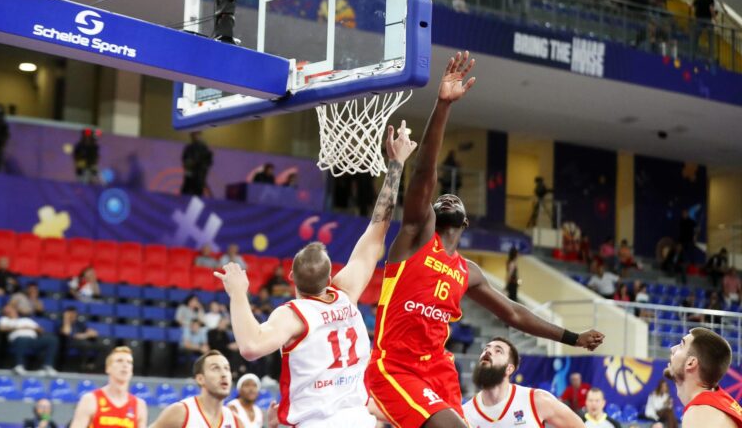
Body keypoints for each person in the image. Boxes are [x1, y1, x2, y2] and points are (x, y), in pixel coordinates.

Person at [365, 51, 603, 428]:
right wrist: (442, 106)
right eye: (440, 198)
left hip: (438, 370)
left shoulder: (468, 271)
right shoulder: (415, 236)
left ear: (464, 223)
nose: (445, 199)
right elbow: (426, 170)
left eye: (453, 201)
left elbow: (513, 313)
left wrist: (573, 338)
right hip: (395, 365)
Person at [214, 120, 416, 428]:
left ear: (291, 277)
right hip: (359, 420)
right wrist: (396, 164)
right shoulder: (346, 293)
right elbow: (379, 227)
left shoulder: (292, 315)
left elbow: (251, 346)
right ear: (330, 276)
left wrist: (238, 292)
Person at [463, 338, 584, 427]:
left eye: (498, 351)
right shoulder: (465, 413)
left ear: (509, 369)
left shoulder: (536, 399)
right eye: (485, 349)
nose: (488, 352)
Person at [664, 328, 742, 428]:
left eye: (681, 345)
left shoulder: (700, 414)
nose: (672, 349)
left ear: (691, 363)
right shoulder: (716, 404)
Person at [149, 350, 241, 428]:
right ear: (200, 379)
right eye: (215, 368)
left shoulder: (236, 421)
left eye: (227, 368)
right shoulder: (181, 412)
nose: (224, 374)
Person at [69, 346, 147, 428]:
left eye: (129, 362)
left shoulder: (139, 405)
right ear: (108, 368)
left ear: (132, 370)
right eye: (119, 361)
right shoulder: (90, 399)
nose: (125, 365)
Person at [0, 303, 58, 376]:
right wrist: (19, 328)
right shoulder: (4, 319)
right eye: (5, 310)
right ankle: (19, 365)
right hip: (18, 340)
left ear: (15, 310)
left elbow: (41, 330)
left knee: (52, 339)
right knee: (22, 339)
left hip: (32, 340)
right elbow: (1, 328)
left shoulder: (26, 320)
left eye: (9, 309)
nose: (7, 311)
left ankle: (47, 366)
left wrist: (32, 328)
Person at [59, 306, 101, 372]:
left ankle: (95, 367)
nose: (74, 315)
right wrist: (66, 319)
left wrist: (89, 333)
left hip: (83, 342)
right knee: (85, 345)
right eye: (71, 314)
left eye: (75, 314)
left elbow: (90, 332)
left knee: (104, 347)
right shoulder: (62, 323)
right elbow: (67, 333)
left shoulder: (78, 323)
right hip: (69, 343)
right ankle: (83, 367)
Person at [181, 131, 213, 196]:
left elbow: (208, 161)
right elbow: (185, 159)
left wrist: (201, 167)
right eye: (193, 134)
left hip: (199, 176)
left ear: (199, 135)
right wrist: (188, 164)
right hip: (189, 175)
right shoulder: (189, 148)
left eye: (196, 134)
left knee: (197, 192)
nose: (195, 136)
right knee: (186, 190)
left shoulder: (204, 148)